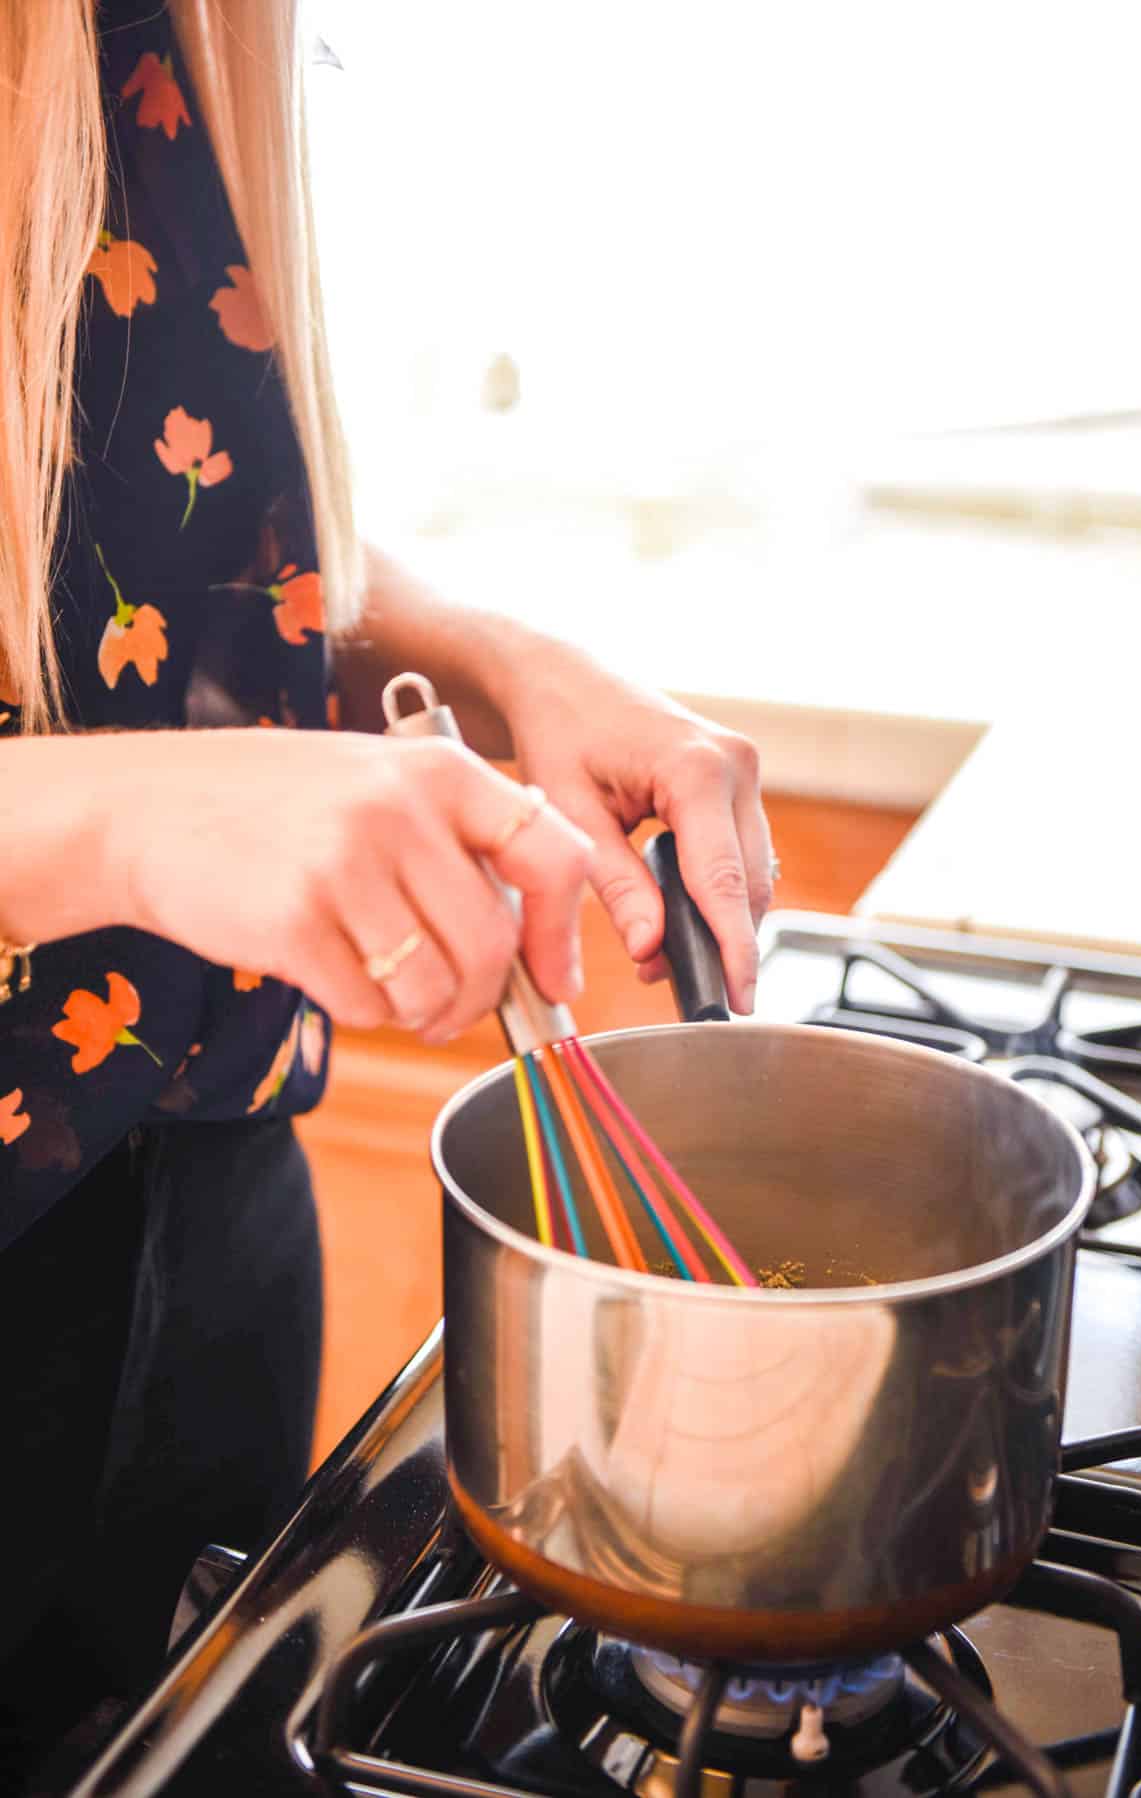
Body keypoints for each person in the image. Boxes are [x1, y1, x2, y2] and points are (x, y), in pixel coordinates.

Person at [0, 3, 772, 1785]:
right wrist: (117, 819)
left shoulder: (177, 39)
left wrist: (494, 661)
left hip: (208, 1223)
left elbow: (147, 529)